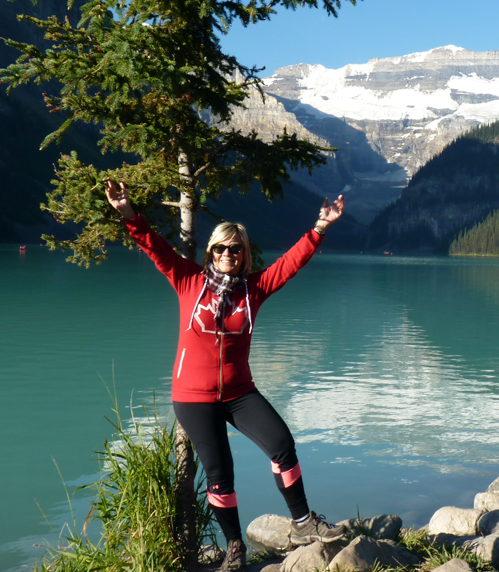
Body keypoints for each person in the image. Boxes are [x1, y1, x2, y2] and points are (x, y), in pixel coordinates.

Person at [105, 180, 346, 571]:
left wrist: (320, 226)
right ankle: (235, 546)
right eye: (221, 248)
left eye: (236, 248)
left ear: (245, 254)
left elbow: (291, 263)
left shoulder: (254, 289)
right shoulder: (188, 281)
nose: (229, 254)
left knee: (282, 444)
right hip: (193, 398)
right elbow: (154, 246)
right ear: (211, 253)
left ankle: (302, 523)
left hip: (239, 392)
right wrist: (128, 213)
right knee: (221, 476)